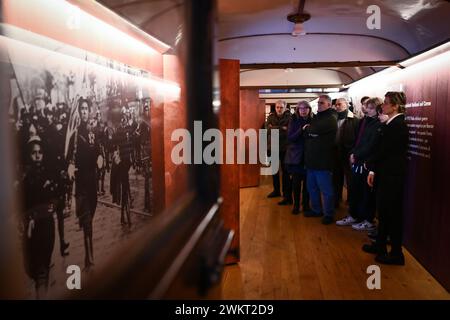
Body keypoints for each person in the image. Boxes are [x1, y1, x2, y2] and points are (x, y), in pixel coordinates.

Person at [362, 92, 409, 265]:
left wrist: (370, 165)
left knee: (392, 215)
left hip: (391, 177)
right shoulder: (391, 124)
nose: (383, 106)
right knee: (384, 213)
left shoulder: (397, 125)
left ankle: (396, 254)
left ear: (395, 106)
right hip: (386, 175)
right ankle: (380, 245)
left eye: (387, 103)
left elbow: (384, 151)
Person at [336, 97, 382, 230]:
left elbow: (371, 145)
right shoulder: (364, 121)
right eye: (366, 106)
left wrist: (356, 154)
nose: (366, 109)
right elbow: (358, 140)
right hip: (357, 160)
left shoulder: (378, 124)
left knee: (367, 194)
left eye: (370, 107)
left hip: (367, 163)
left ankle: (368, 219)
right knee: (355, 190)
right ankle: (354, 215)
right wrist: (353, 153)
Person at [21, 137, 56, 297]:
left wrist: (53, 204)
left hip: (47, 228)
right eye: (34, 153)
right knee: (36, 272)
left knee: (43, 269)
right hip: (32, 230)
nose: (37, 155)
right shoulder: (25, 181)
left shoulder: (48, 176)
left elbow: (57, 199)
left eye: (40, 152)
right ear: (29, 155)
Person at [67, 97, 99, 269]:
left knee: (90, 219)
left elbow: (99, 151)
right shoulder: (76, 135)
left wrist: (101, 158)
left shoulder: (93, 133)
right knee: (87, 222)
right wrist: (70, 167)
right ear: (79, 112)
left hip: (92, 184)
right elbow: (70, 158)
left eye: (87, 108)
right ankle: (89, 256)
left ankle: (89, 252)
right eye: (82, 109)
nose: (85, 111)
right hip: (81, 186)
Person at [303, 95, 338, 224]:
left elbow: (312, 129)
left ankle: (329, 214)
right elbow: (309, 133)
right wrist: (311, 132)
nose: (319, 105)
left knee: (326, 190)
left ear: (329, 104)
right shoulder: (318, 117)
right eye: (318, 103)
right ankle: (316, 210)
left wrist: (309, 130)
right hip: (311, 160)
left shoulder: (331, 118)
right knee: (311, 187)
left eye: (322, 103)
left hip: (323, 161)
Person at [284, 101, 312, 214]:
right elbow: (290, 138)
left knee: (307, 184)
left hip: (309, 157)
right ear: (298, 110)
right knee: (296, 183)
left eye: (305, 108)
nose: (303, 110)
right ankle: (296, 205)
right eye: (301, 108)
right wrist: (302, 130)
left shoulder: (314, 120)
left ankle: (305, 205)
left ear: (309, 109)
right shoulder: (294, 121)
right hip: (296, 158)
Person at [333, 98, 360, 208]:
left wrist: (354, 152)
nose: (337, 106)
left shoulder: (354, 120)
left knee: (350, 179)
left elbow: (358, 137)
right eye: (336, 105)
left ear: (346, 105)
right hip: (335, 153)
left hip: (349, 153)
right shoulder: (333, 118)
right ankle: (336, 199)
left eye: (339, 104)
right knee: (336, 178)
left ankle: (351, 200)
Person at [266, 100, 291, 203]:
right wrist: (282, 128)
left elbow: (289, 131)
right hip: (273, 147)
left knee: (286, 172)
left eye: (281, 107)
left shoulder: (290, 117)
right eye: (277, 107)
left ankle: (286, 195)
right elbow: (267, 129)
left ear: (285, 108)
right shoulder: (270, 117)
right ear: (275, 107)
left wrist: (274, 128)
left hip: (285, 148)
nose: (279, 109)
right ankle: (276, 191)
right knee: (274, 171)